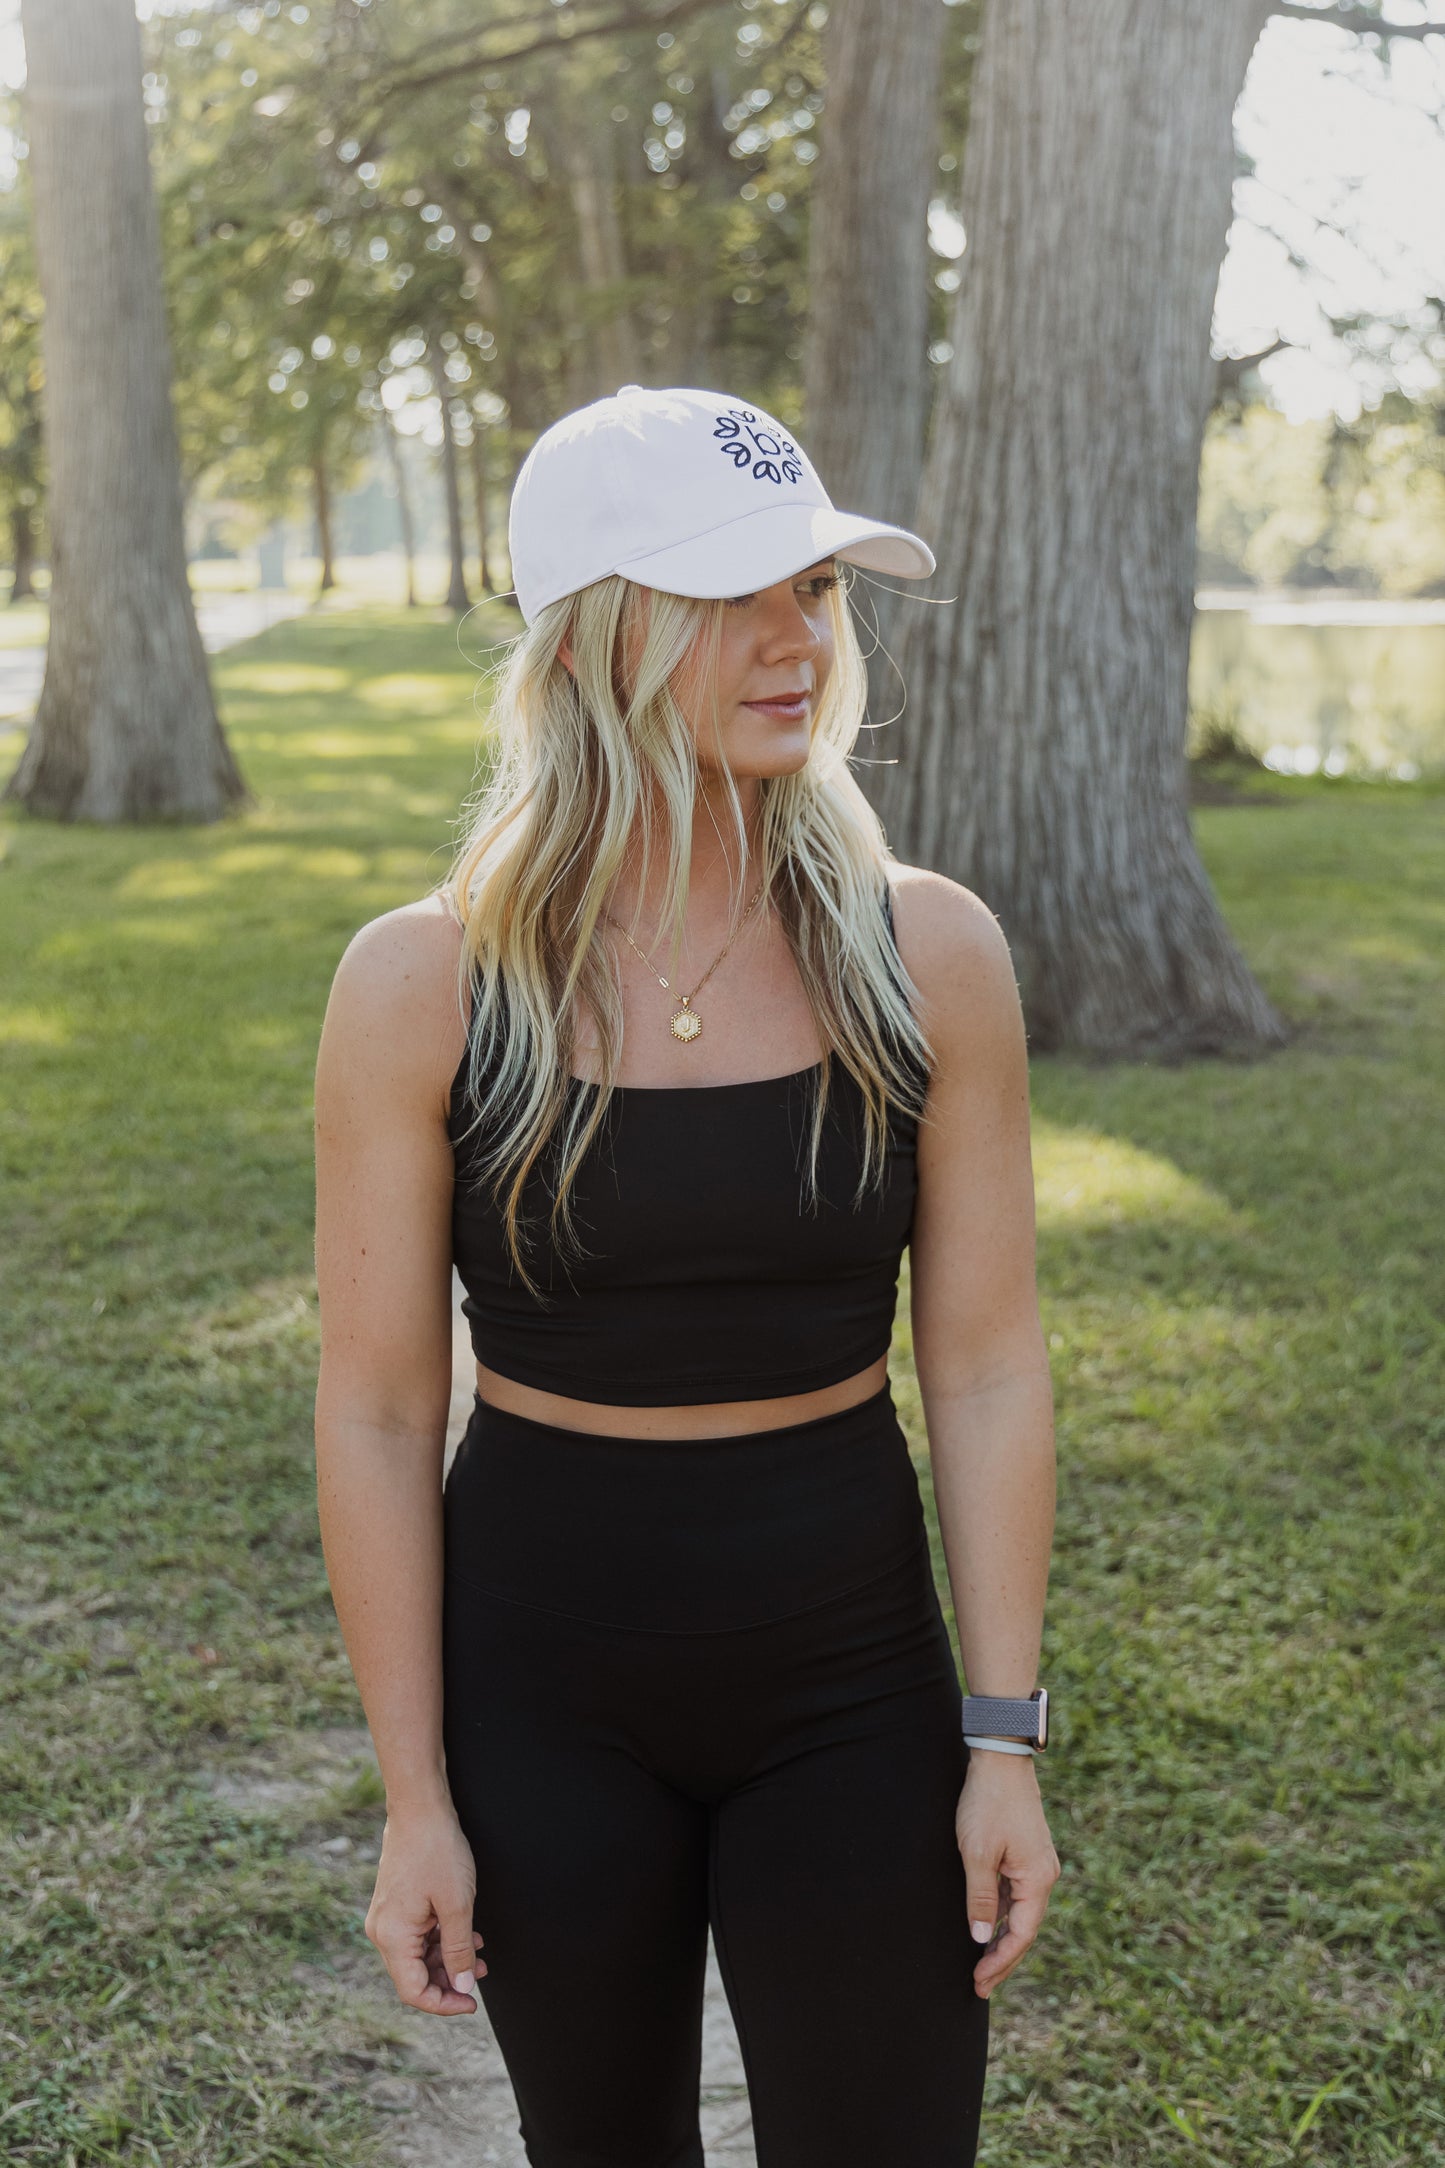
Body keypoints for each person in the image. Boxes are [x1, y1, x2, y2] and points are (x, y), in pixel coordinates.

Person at [313, 384, 1060, 2168]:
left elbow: (984, 1364)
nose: (798, 638)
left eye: (812, 588)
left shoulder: (922, 948)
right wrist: (415, 1802)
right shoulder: (425, 986)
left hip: (851, 1670)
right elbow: (378, 1405)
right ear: (595, 640)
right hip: (540, 1674)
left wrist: (1003, 1739)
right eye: (737, 596)